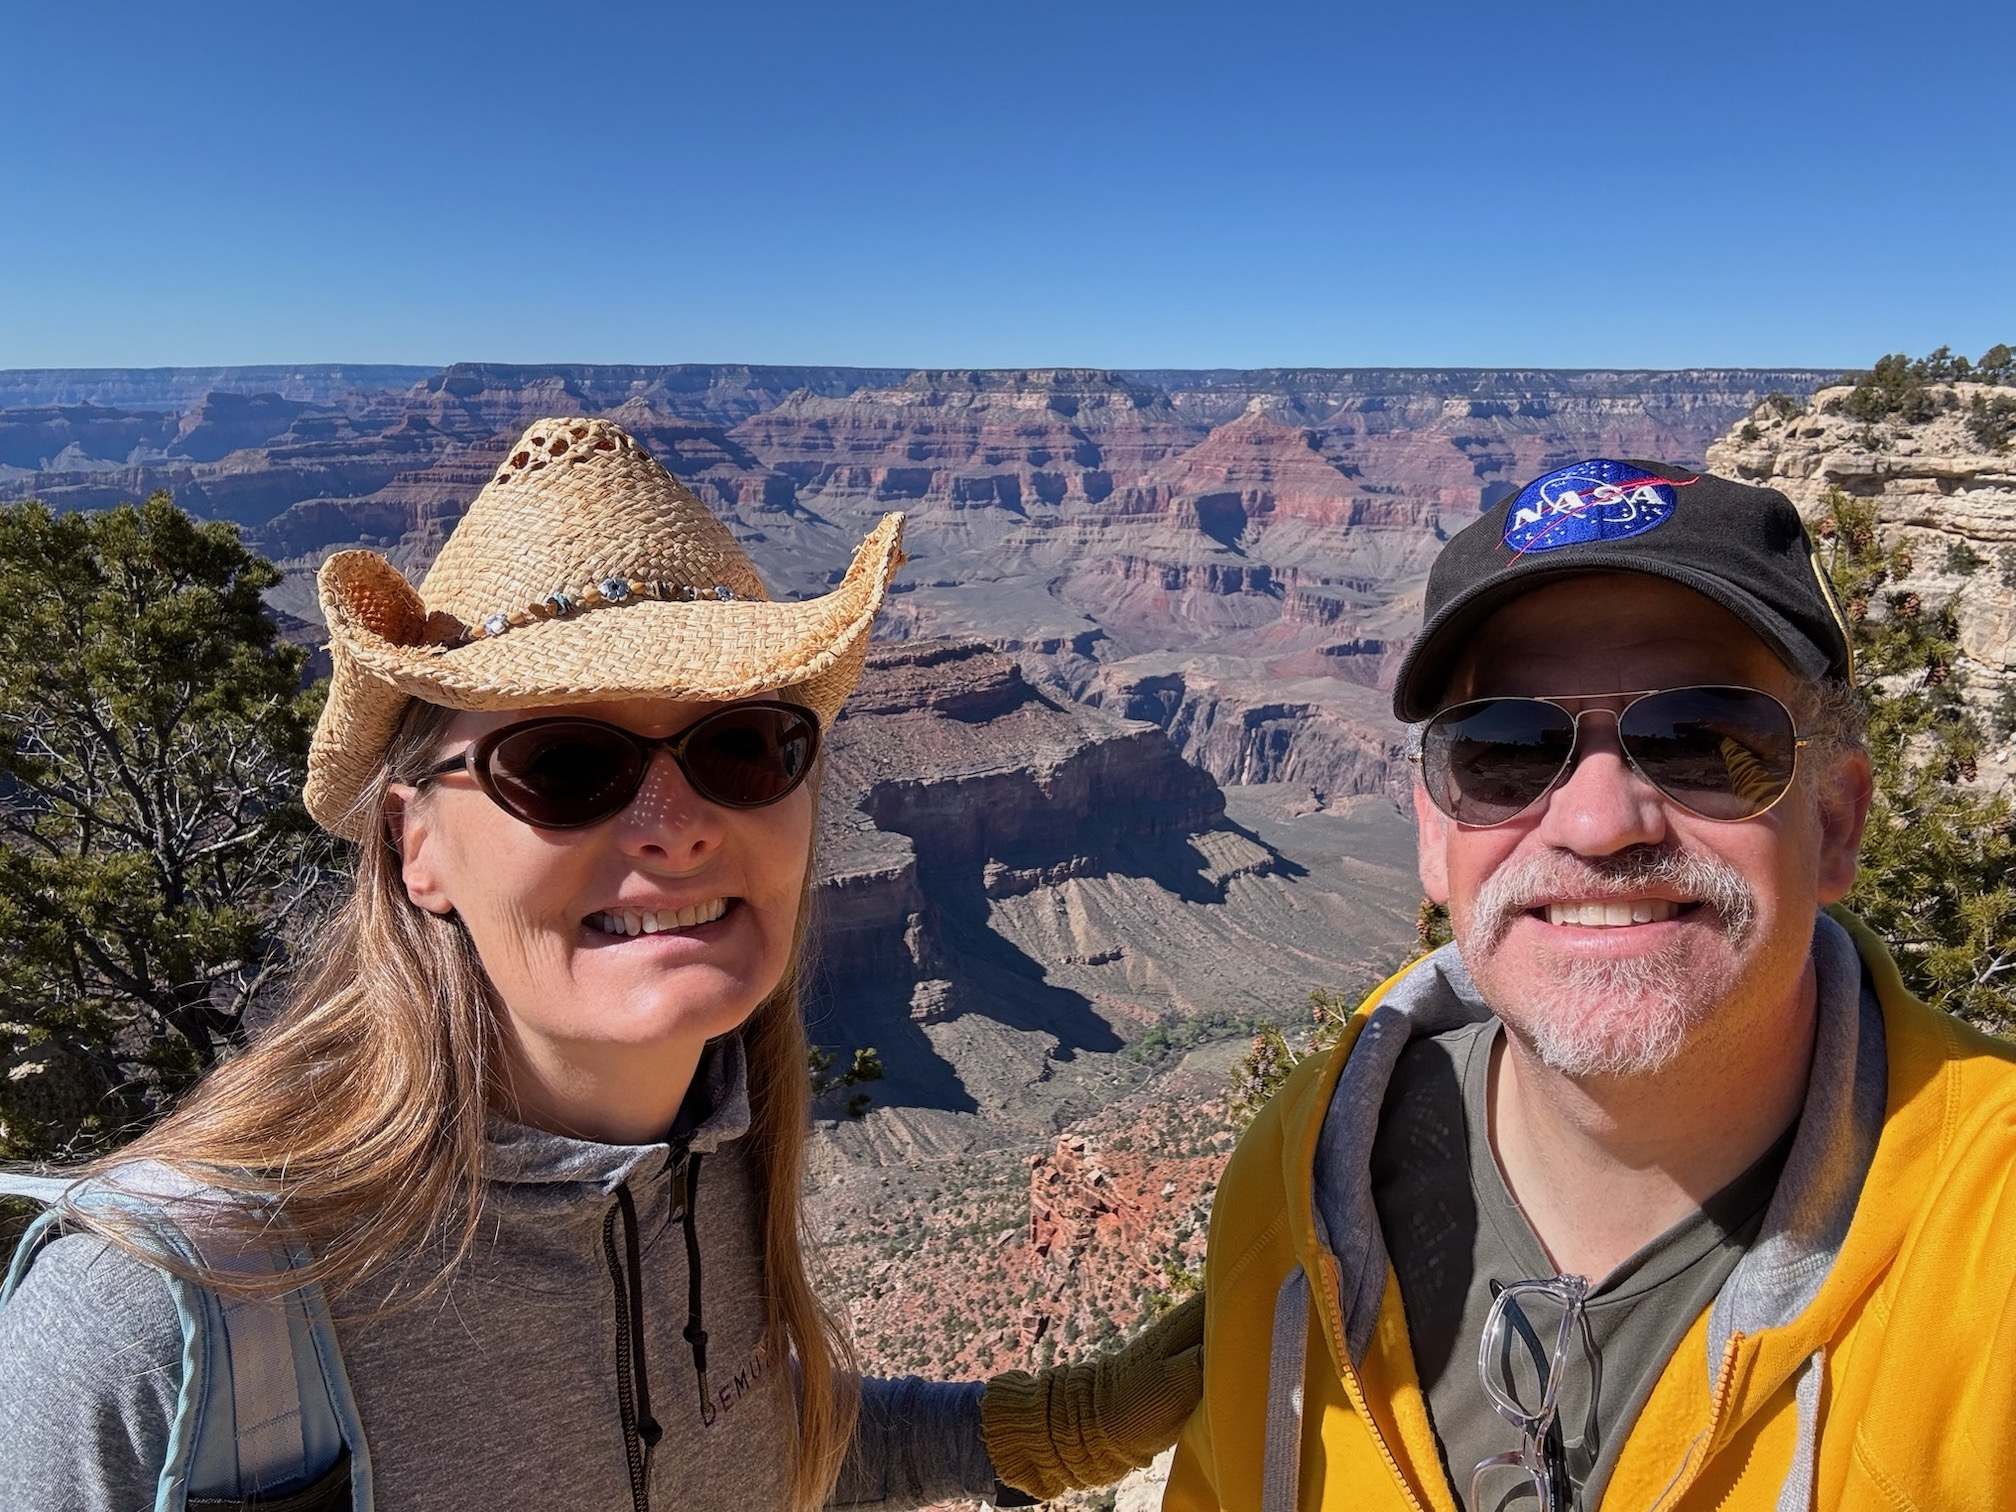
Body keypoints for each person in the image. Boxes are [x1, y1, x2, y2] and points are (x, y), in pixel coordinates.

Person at [0, 416, 1201, 1511]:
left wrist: (1063, 1429)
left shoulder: (717, 1157)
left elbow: (747, 1457)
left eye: (739, 745)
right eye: (566, 763)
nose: (673, 826)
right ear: (416, 844)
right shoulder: (157, 1321)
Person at [1165, 458, 2016, 1511]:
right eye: (1510, 748)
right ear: (1436, 836)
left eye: (1703, 740)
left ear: (1835, 823)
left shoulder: (1992, 1249)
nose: (1598, 822)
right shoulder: (1294, 1184)